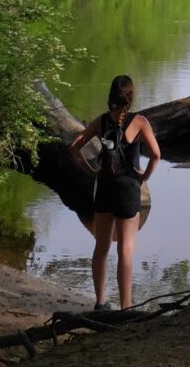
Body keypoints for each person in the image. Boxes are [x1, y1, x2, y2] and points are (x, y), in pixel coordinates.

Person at [69, 75, 161, 311]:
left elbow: (74, 147)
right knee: (125, 251)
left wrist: (91, 170)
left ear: (110, 96)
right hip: (129, 190)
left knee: (101, 248)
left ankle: (100, 303)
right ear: (131, 97)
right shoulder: (139, 122)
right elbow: (156, 155)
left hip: (105, 189)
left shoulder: (101, 122)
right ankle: (125, 307)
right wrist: (144, 176)